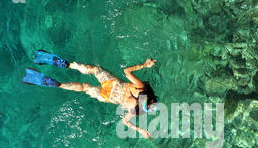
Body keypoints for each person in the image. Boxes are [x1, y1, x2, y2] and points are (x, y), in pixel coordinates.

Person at [22, 50, 158, 138]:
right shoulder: (136, 110)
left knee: (93, 69)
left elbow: (127, 71)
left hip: (113, 83)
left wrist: (144, 65)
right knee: (85, 87)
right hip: (108, 97)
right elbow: (124, 121)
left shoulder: (141, 88)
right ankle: (58, 84)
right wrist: (140, 130)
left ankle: (67, 65)